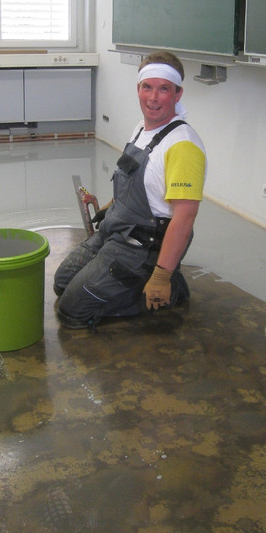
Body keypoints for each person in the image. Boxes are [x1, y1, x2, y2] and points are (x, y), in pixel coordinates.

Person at [53, 50, 207, 329]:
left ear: (178, 94)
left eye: (164, 89)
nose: (153, 98)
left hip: (144, 245)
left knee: (72, 311)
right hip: (119, 228)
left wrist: (161, 276)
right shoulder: (141, 129)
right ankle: (135, 280)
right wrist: (114, 205)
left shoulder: (183, 146)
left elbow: (185, 218)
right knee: (62, 283)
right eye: (147, 87)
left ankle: (169, 286)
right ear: (138, 89)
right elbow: (136, 177)